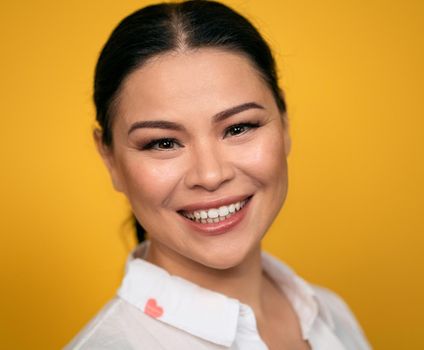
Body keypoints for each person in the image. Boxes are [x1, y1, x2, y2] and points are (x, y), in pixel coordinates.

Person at [66, 1, 371, 349]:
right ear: (110, 159)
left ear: (284, 123)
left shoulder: (333, 315)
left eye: (239, 127)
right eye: (163, 142)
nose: (210, 175)